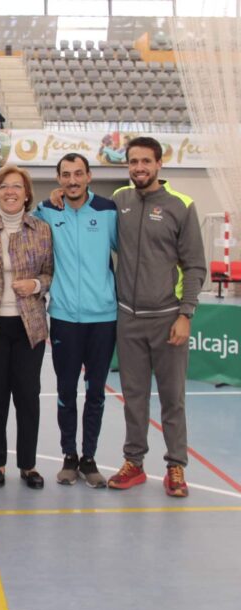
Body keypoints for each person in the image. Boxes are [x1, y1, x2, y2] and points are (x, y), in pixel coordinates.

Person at [106, 136, 206, 497]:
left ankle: (176, 467)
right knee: (134, 397)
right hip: (128, 319)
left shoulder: (182, 205)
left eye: (146, 162)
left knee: (172, 398)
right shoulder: (120, 201)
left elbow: (195, 265)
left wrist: (186, 314)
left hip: (167, 319)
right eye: (133, 162)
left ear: (160, 164)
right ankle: (134, 462)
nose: (139, 168)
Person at [0, 166, 53, 490]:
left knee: (28, 396)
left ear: (27, 193)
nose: (10, 192)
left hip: (28, 325)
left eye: (16, 186)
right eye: (3, 187)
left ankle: (28, 465)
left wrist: (35, 284)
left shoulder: (41, 230)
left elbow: (49, 274)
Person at [37, 154, 117, 488]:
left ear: (89, 176)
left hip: (103, 317)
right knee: (66, 390)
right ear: (58, 178)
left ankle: (89, 458)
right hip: (65, 317)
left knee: (95, 391)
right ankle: (69, 456)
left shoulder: (108, 211)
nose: (72, 181)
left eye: (78, 174)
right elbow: (14, 215)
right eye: (66, 175)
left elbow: (130, 252)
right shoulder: (46, 211)